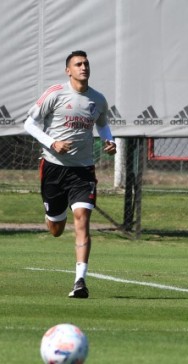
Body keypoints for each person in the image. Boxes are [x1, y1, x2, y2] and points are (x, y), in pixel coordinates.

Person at [24, 50, 117, 299]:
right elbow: (29, 123)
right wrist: (52, 142)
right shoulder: (55, 93)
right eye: (78, 64)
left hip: (82, 170)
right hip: (53, 167)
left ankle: (80, 282)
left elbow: (103, 124)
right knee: (56, 228)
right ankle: (53, 213)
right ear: (68, 70)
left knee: (82, 218)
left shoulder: (97, 99)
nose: (83, 67)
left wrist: (110, 141)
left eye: (86, 63)